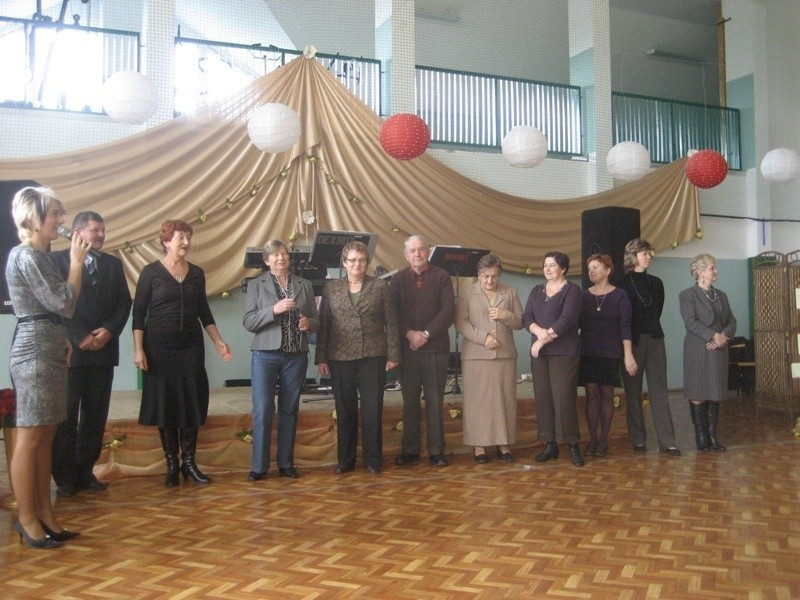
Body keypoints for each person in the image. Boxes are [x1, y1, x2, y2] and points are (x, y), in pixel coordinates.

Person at [6, 186, 90, 548]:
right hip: (34, 353)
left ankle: (45, 514)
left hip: (50, 347)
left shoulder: (40, 256)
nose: (61, 219)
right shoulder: (25, 255)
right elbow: (63, 303)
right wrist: (75, 263)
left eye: (60, 212)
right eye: (55, 213)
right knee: (30, 438)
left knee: (46, 439)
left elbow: (52, 313)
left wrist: (64, 340)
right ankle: (26, 518)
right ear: (33, 218)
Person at [132, 220, 233, 487]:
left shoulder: (197, 273)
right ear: (166, 241)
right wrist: (138, 348)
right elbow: (138, 313)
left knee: (190, 402)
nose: (186, 243)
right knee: (165, 403)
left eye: (188, 238)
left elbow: (204, 312)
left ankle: (189, 462)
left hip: (190, 348)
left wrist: (218, 342)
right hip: (159, 348)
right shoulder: (150, 272)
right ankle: (171, 464)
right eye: (180, 238)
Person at [50, 211, 132, 497]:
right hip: (71, 353)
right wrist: (79, 335)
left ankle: (86, 472)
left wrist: (108, 331)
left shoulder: (112, 263)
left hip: (103, 352)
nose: (100, 235)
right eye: (95, 230)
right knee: (67, 415)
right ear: (77, 232)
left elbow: (124, 304)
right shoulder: (57, 261)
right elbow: (60, 304)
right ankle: (65, 478)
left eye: (102, 230)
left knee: (95, 416)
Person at [316, 241, 400, 475]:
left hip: (373, 356)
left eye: (361, 260)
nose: (357, 265)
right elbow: (324, 325)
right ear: (344, 263)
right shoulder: (331, 288)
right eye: (352, 260)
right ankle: (346, 460)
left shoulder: (380, 287)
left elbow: (391, 322)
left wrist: (394, 353)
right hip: (340, 357)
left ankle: (373, 460)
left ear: (367, 262)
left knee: (373, 410)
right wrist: (321, 357)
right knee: (345, 410)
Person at [242, 240, 319, 481]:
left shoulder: (304, 284)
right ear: (266, 260)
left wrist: (309, 324)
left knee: (289, 410)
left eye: (284, 254)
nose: (280, 258)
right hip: (265, 355)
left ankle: (286, 463)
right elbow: (249, 322)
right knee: (263, 409)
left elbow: (317, 320)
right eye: (275, 255)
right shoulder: (256, 285)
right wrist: (273, 310)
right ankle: (259, 467)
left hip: (295, 355)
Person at [389, 235, 454, 468]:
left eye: (421, 250)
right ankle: (410, 450)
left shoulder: (442, 276)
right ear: (406, 255)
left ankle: (437, 451)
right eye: (412, 251)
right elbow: (393, 313)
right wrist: (409, 334)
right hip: (408, 351)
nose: (417, 254)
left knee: (435, 401)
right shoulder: (397, 279)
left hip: (435, 349)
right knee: (410, 402)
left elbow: (448, 311)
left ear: (428, 252)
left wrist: (424, 334)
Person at [455, 253, 523, 463]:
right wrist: (483, 338)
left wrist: (506, 316)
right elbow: (461, 323)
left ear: (499, 274)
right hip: (476, 356)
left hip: (504, 355)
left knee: (505, 400)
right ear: (479, 274)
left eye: (494, 276)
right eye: (485, 276)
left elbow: (520, 322)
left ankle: (504, 445)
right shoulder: (467, 292)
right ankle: (479, 446)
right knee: (478, 402)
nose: (489, 281)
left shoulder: (510, 292)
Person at [618, 239, 680, 456]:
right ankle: (638, 439)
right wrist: (627, 354)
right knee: (633, 392)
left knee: (659, 390)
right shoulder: (623, 285)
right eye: (643, 253)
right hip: (632, 343)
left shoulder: (657, 283)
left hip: (655, 339)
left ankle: (667, 441)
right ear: (632, 256)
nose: (648, 256)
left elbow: (657, 312)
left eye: (649, 253)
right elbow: (624, 320)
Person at [522, 251, 584, 467]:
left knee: (564, 397)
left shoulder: (572, 290)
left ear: (563, 269)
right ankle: (550, 444)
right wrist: (538, 333)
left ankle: (573, 444)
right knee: (543, 397)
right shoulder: (537, 290)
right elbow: (526, 317)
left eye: (552, 265)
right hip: (540, 354)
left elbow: (567, 320)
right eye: (545, 265)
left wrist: (541, 340)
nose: (547, 269)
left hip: (564, 352)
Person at [579, 254, 637, 458]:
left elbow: (625, 326)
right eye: (589, 268)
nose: (591, 271)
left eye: (595, 267)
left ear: (608, 270)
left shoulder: (620, 295)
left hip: (610, 352)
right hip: (587, 351)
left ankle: (604, 440)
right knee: (591, 395)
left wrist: (628, 355)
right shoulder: (584, 295)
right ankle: (592, 439)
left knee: (606, 395)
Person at [679, 253, 736, 452]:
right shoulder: (687, 295)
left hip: (718, 349)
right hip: (698, 349)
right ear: (701, 271)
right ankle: (701, 438)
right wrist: (713, 336)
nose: (716, 271)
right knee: (698, 392)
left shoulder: (722, 296)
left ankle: (713, 437)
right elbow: (691, 322)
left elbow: (731, 321)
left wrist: (723, 337)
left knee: (715, 392)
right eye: (712, 268)